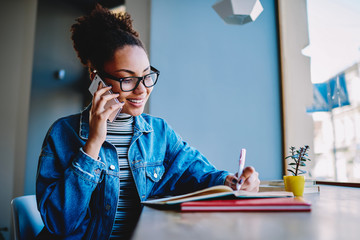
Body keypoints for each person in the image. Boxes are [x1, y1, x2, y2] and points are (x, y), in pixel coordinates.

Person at [35, 5, 260, 240]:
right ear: (97, 79)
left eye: (146, 75)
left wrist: (234, 181)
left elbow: (199, 173)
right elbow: (58, 223)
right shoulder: (62, 133)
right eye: (128, 79)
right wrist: (92, 144)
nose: (142, 89)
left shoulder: (159, 133)